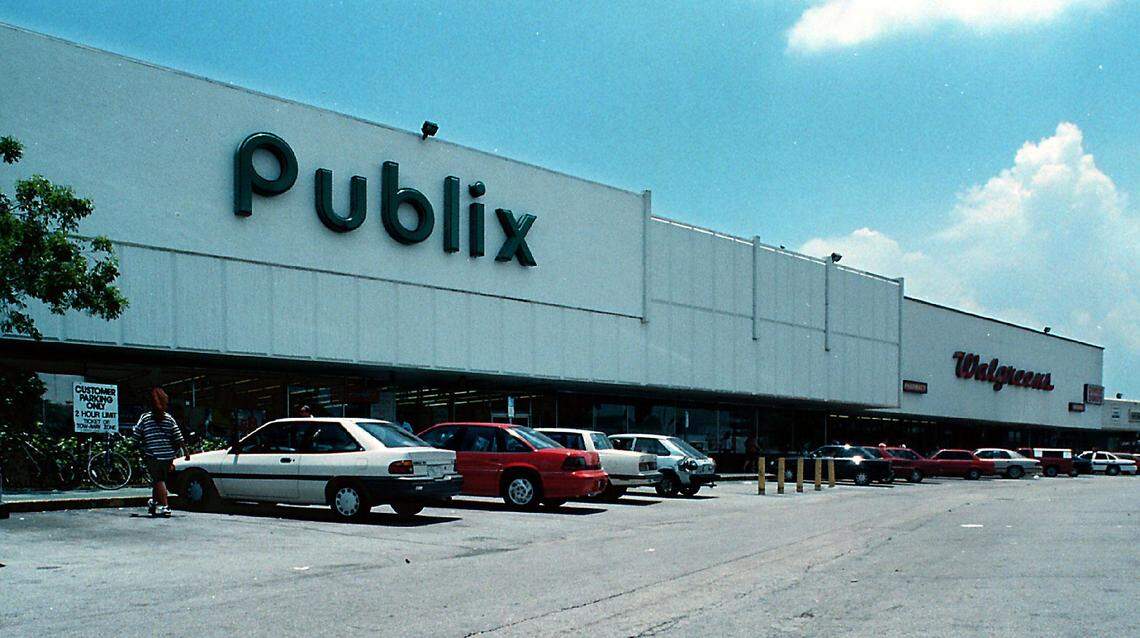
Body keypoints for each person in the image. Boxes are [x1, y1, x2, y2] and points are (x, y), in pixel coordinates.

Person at [134, 387, 189, 518]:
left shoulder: (145, 418)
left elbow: (136, 435)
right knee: (159, 480)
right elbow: (178, 437)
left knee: (158, 480)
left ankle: (165, 506)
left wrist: (136, 446)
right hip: (168, 455)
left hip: (153, 455)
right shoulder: (169, 418)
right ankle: (153, 503)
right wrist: (186, 452)